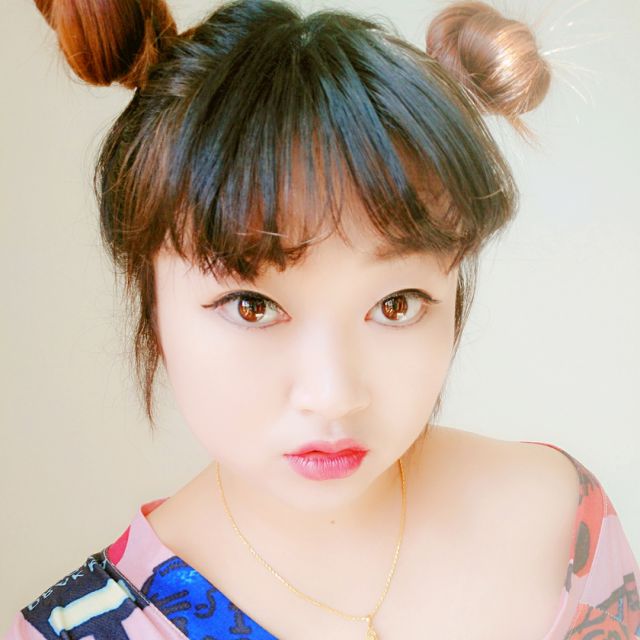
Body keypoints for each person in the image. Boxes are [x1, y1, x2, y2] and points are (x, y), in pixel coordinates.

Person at [4, 0, 639, 638]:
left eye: (396, 305)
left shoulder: (560, 527)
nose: (333, 395)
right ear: (151, 297)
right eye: (253, 306)